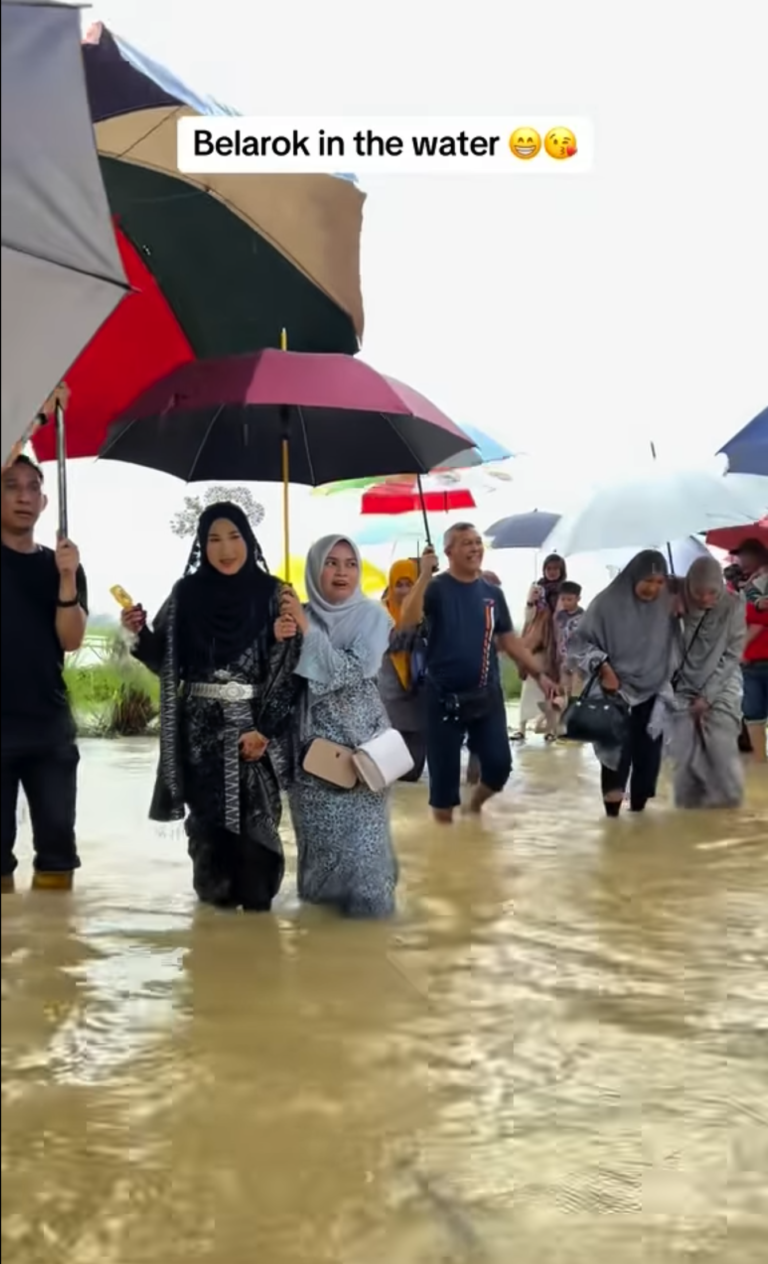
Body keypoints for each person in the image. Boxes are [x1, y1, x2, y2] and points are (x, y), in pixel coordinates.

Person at [120, 503, 302, 911]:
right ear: (202, 545)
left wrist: (266, 729)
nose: (225, 549)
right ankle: (213, 943)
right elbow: (165, 657)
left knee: (258, 830)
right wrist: (139, 633)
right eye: (214, 539)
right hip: (200, 733)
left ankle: (257, 933)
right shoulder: (186, 594)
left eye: (234, 537)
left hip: (256, 728)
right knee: (209, 834)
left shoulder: (277, 594)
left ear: (249, 541)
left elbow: (288, 671)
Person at [399, 523, 557, 823]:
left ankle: (475, 808)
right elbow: (407, 619)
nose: (474, 548)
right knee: (443, 792)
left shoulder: (492, 594)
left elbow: (510, 640)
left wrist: (540, 675)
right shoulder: (435, 588)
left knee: (499, 768)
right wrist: (423, 574)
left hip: (487, 694)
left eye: (477, 542)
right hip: (442, 698)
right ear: (448, 552)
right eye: (465, 543)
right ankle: (446, 855)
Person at [280, 535, 398, 918]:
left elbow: (349, 670)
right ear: (316, 569)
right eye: (331, 562)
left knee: (368, 866)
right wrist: (279, 635)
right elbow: (277, 678)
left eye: (350, 563)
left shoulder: (375, 618)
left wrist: (307, 632)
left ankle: (371, 949)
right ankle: (321, 956)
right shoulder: (293, 615)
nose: (342, 571)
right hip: (311, 761)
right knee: (320, 867)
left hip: (363, 757)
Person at [1, 454, 87, 893]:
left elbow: (71, 641)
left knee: (57, 848)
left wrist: (67, 579)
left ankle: (56, 952)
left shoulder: (62, 565)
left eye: (32, 486)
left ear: (45, 499)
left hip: (49, 727)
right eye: (10, 485)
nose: (22, 496)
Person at [569, 549, 677, 817]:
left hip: (654, 689)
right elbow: (578, 643)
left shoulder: (669, 605)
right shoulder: (605, 604)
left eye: (659, 582)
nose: (653, 588)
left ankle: (638, 814)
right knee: (616, 757)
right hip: (614, 691)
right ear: (633, 577)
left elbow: (677, 644)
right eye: (647, 581)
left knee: (649, 757)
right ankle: (612, 820)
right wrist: (603, 666)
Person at [665, 557, 746, 808]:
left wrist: (708, 696)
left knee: (721, 749)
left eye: (712, 592)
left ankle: (731, 813)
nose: (705, 599)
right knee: (683, 756)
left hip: (722, 683)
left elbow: (732, 655)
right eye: (698, 593)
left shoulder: (733, 604)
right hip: (680, 687)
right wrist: (670, 605)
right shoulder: (671, 598)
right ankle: (690, 818)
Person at [378, 557, 428, 781]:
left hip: (418, 701)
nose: (405, 590)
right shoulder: (379, 617)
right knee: (391, 778)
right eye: (399, 584)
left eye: (411, 584)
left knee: (411, 777)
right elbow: (397, 640)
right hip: (389, 705)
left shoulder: (427, 617)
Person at [512, 553, 568, 740]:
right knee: (530, 684)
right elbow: (528, 618)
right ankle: (521, 727)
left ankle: (550, 729)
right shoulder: (537, 588)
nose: (552, 572)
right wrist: (531, 601)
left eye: (555, 569)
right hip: (536, 645)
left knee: (552, 688)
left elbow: (568, 617)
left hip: (555, 647)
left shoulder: (565, 591)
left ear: (561, 571)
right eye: (549, 569)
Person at [732, 539, 768, 762]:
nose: (740, 560)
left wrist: (741, 649)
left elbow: (761, 618)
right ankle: (760, 768)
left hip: (754, 657)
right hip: (751, 661)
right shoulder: (751, 584)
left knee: (754, 715)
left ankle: (761, 767)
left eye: (744, 555)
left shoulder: (759, 584)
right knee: (753, 716)